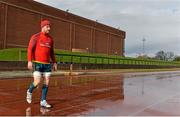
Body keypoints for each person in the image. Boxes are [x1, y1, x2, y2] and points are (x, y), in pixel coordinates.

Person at [26, 19, 57, 108]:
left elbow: (52, 52)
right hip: (38, 63)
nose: (49, 28)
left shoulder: (51, 39)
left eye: (49, 26)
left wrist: (54, 62)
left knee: (47, 82)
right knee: (37, 82)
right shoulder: (35, 37)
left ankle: (43, 101)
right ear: (43, 27)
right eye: (47, 26)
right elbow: (30, 49)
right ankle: (29, 91)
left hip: (47, 64)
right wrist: (29, 61)